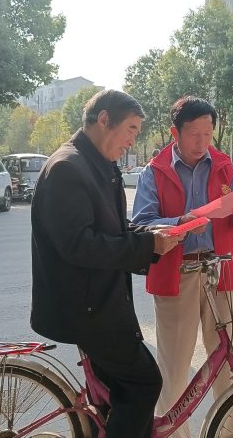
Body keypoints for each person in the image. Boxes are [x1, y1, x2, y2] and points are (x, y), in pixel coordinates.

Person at [30, 90, 184, 438]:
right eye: (130, 129)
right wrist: (147, 245)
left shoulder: (99, 166)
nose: (132, 141)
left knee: (123, 396)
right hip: (86, 309)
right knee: (145, 383)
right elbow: (80, 245)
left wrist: (153, 234)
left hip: (100, 303)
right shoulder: (68, 168)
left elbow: (112, 230)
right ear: (103, 120)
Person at [132, 96, 233, 437]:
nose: (203, 142)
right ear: (175, 132)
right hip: (177, 274)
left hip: (223, 272)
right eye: (194, 134)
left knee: (227, 364)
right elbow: (141, 223)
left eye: (208, 133)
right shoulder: (154, 171)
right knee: (174, 367)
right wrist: (180, 221)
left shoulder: (224, 166)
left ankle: (227, 434)